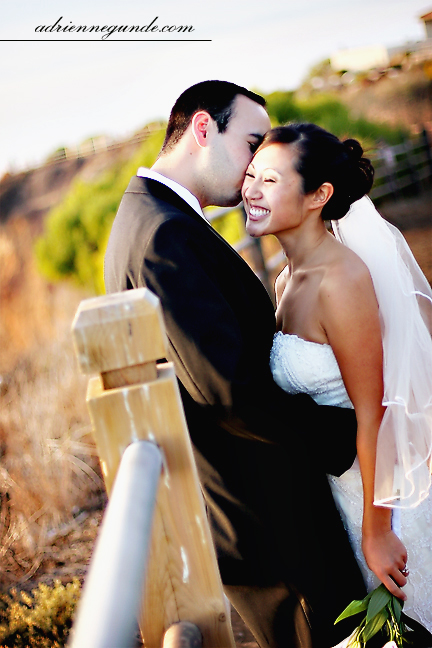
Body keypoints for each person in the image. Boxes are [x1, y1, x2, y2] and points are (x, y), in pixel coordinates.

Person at [104, 81, 367, 648]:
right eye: (251, 144)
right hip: (270, 518)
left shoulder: (156, 217)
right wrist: (345, 435)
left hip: (271, 502)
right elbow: (228, 388)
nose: (255, 169)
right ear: (204, 129)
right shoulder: (162, 234)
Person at [242, 122, 432, 634]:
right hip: (333, 496)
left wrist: (377, 530)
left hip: (380, 499)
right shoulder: (286, 278)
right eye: (252, 174)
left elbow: (377, 410)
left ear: (318, 195)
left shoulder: (341, 279)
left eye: (272, 181)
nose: (251, 190)